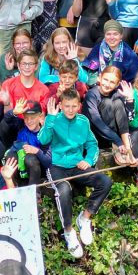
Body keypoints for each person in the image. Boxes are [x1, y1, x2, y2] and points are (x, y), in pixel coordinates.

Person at [38, 89, 112, 259]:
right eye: (66, 106)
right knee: (63, 190)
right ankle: (68, 231)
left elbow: (92, 144)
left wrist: (88, 160)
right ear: (61, 106)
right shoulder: (54, 120)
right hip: (56, 165)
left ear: (79, 106)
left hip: (77, 165)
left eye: (73, 106)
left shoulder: (83, 121)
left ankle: (85, 218)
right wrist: (49, 118)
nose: (70, 110)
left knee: (105, 181)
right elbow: (42, 140)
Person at [84, 66, 137, 166]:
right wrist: (117, 141)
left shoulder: (117, 94)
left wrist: (130, 99)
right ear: (99, 78)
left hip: (116, 136)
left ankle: (128, 149)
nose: (107, 84)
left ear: (117, 84)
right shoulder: (91, 95)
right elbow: (97, 122)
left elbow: (129, 119)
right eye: (105, 80)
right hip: (96, 133)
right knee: (107, 102)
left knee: (117, 102)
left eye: (112, 82)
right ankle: (117, 147)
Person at [3, 99, 53, 188]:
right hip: (21, 167)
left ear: (41, 117)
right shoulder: (21, 126)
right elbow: (6, 120)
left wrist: (37, 151)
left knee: (30, 158)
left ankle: (34, 192)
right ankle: (14, 186)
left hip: (37, 169)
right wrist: (14, 112)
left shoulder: (45, 134)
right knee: (10, 156)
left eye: (32, 117)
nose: (29, 121)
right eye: (26, 117)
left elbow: (48, 162)